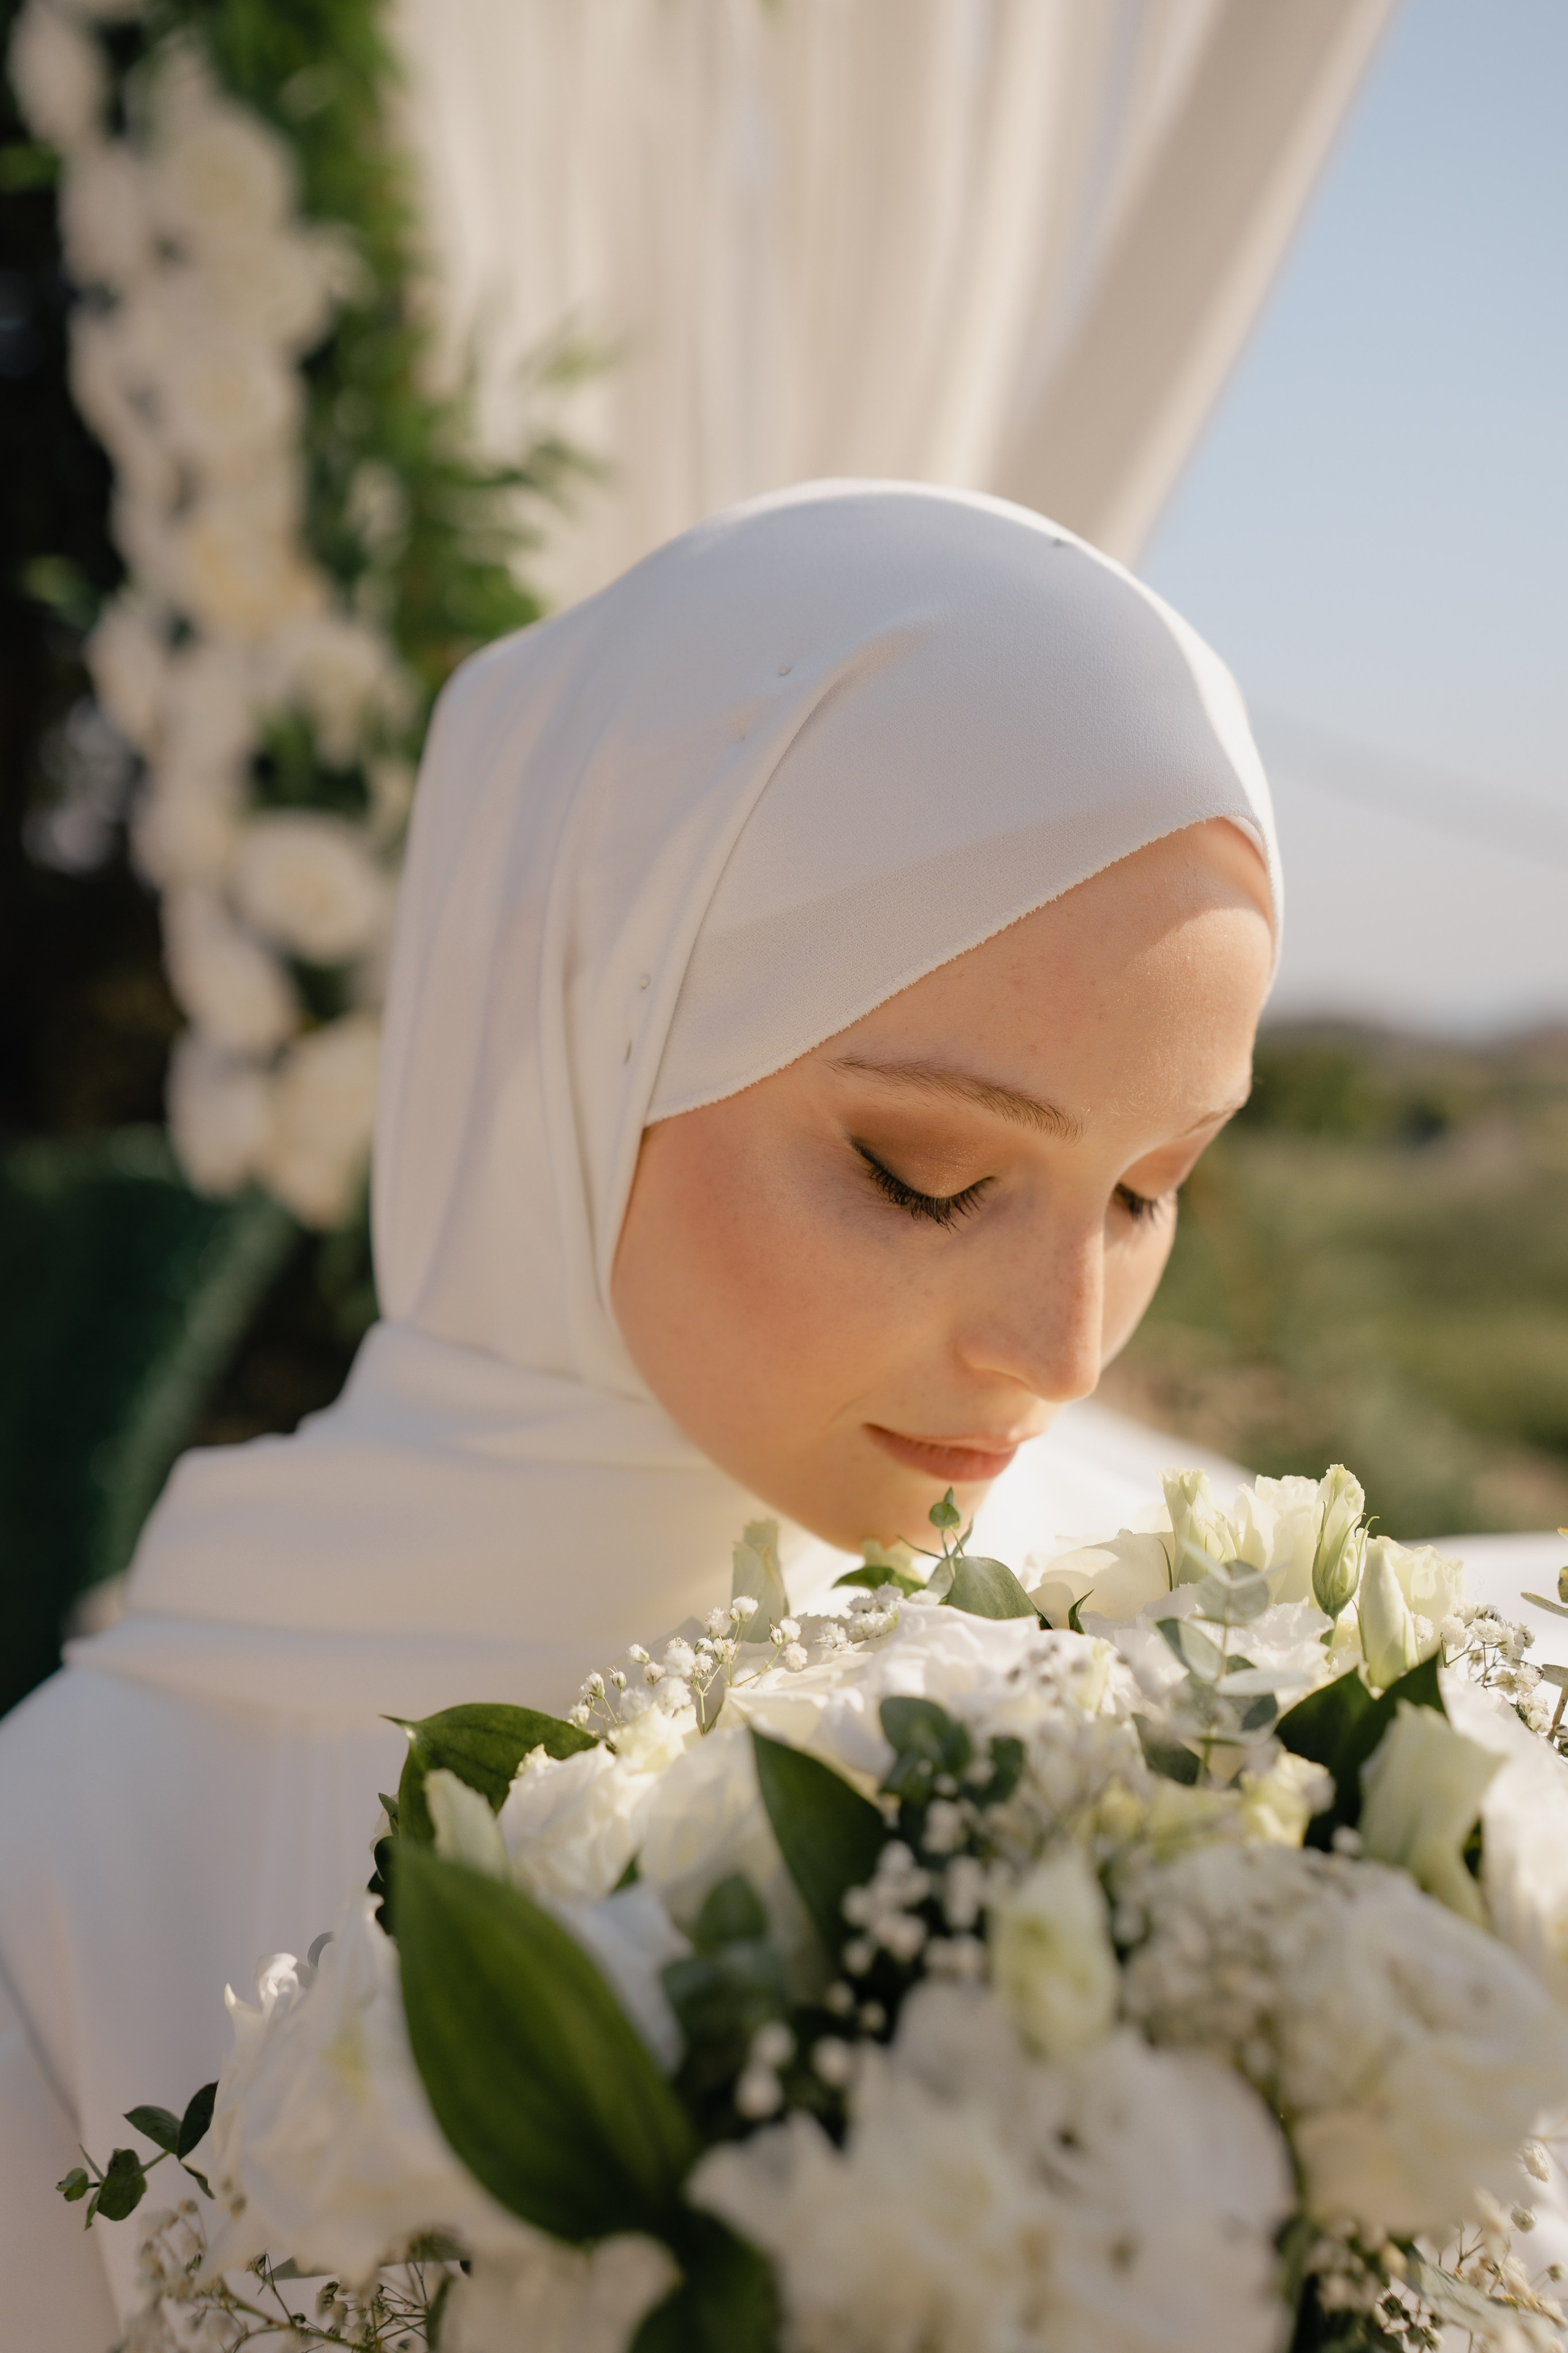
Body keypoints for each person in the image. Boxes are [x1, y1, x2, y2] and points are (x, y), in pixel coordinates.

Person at [0, 482, 1278, 2338]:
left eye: (1153, 1187)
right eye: (926, 1172)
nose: (1065, 1350)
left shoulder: (1192, 1704)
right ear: (585, 1041)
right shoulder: (70, 1873)